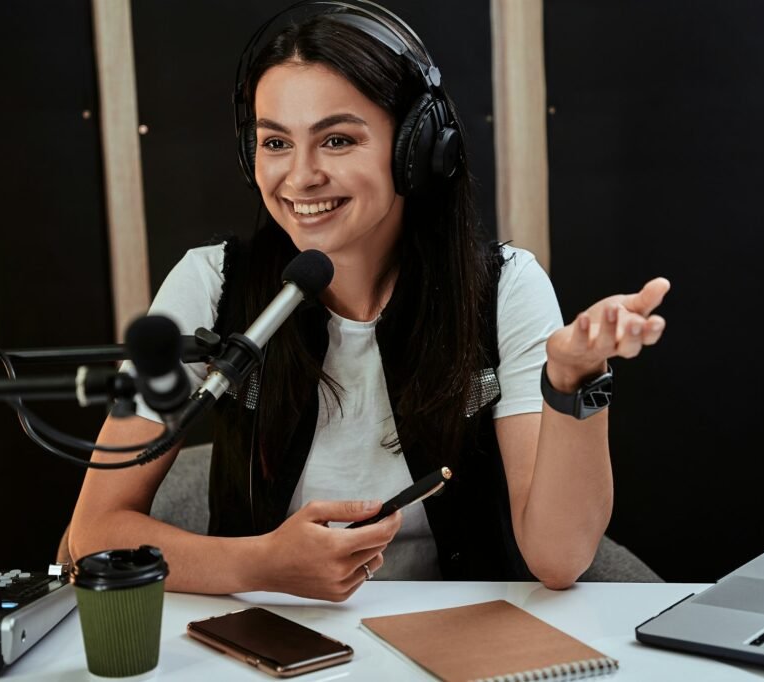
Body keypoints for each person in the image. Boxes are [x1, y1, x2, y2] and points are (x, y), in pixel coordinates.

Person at [68, 0, 670, 602]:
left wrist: (573, 380)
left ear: (417, 149)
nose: (299, 177)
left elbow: (559, 560)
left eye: (336, 139)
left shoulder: (505, 288)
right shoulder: (210, 286)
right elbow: (93, 536)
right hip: (268, 640)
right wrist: (264, 564)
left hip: (457, 641)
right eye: (275, 142)